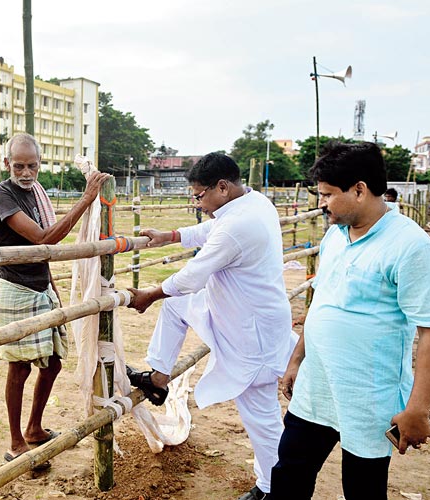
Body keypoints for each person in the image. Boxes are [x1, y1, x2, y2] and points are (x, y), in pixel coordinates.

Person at [271, 142, 430, 499]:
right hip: (317, 387)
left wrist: (417, 408)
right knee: (290, 470)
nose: (322, 204)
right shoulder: (335, 235)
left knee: (362, 487)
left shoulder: (410, 246)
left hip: (367, 395)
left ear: (360, 190)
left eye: (328, 195)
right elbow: (322, 299)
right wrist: (297, 360)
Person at [126, 152, 296, 500]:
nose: (197, 201)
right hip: (233, 312)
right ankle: (159, 378)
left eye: (199, 194)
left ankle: (272, 488)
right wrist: (170, 235)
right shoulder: (252, 203)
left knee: (260, 415)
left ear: (222, 187)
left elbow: (192, 275)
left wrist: (148, 295)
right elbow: (211, 229)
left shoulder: (239, 224)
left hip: (252, 331)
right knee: (176, 307)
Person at [0, 133, 110, 469]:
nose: (26, 172)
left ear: (39, 165)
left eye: (32, 166)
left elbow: (44, 254)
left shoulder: (35, 192)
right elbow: (44, 239)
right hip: (16, 288)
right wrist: (86, 199)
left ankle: (34, 428)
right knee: (20, 365)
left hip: (42, 286)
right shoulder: (2, 195)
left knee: (54, 360)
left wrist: (53, 289)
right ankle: (15, 441)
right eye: (19, 165)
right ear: (7, 164)